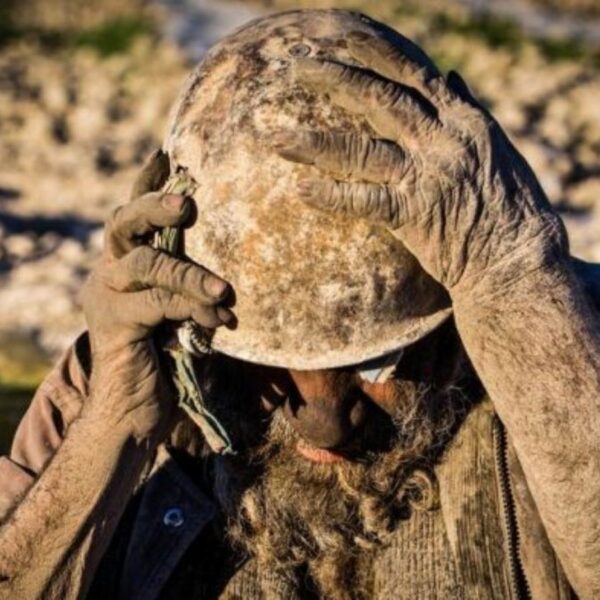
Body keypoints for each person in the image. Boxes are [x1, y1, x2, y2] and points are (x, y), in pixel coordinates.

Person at [0, 9, 599, 600]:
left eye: (374, 363)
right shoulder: (115, 376)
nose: (323, 422)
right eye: (267, 354)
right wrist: (116, 426)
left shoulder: (562, 325)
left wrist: (515, 286)